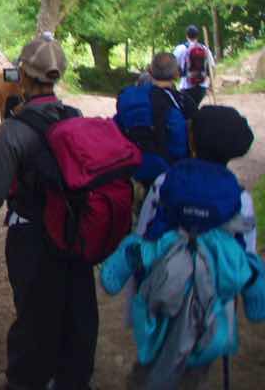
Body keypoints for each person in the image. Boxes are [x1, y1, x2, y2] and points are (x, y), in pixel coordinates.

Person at [0, 32, 97, 390]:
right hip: (74, 230)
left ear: (23, 75)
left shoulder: (13, 131)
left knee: (34, 315)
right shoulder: (75, 116)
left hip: (31, 237)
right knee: (75, 309)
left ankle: (27, 381)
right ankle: (71, 379)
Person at [102, 105, 263, 390]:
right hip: (211, 302)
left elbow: (144, 237)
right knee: (197, 367)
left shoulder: (165, 182)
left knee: (153, 362)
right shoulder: (240, 198)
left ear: (191, 141)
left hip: (164, 291)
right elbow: (244, 258)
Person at [116, 52, 197, 195]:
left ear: (149, 71)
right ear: (177, 74)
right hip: (171, 172)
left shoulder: (129, 96)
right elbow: (193, 139)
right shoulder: (183, 102)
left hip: (132, 170)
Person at [173, 25, 214, 106]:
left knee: (187, 112)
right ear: (197, 36)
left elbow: (172, 64)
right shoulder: (205, 48)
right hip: (202, 86)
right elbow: (212, 68)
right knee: (195, 108)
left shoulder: (181, 48)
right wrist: (210, 85)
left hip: (186, 86)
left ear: (186, 35)